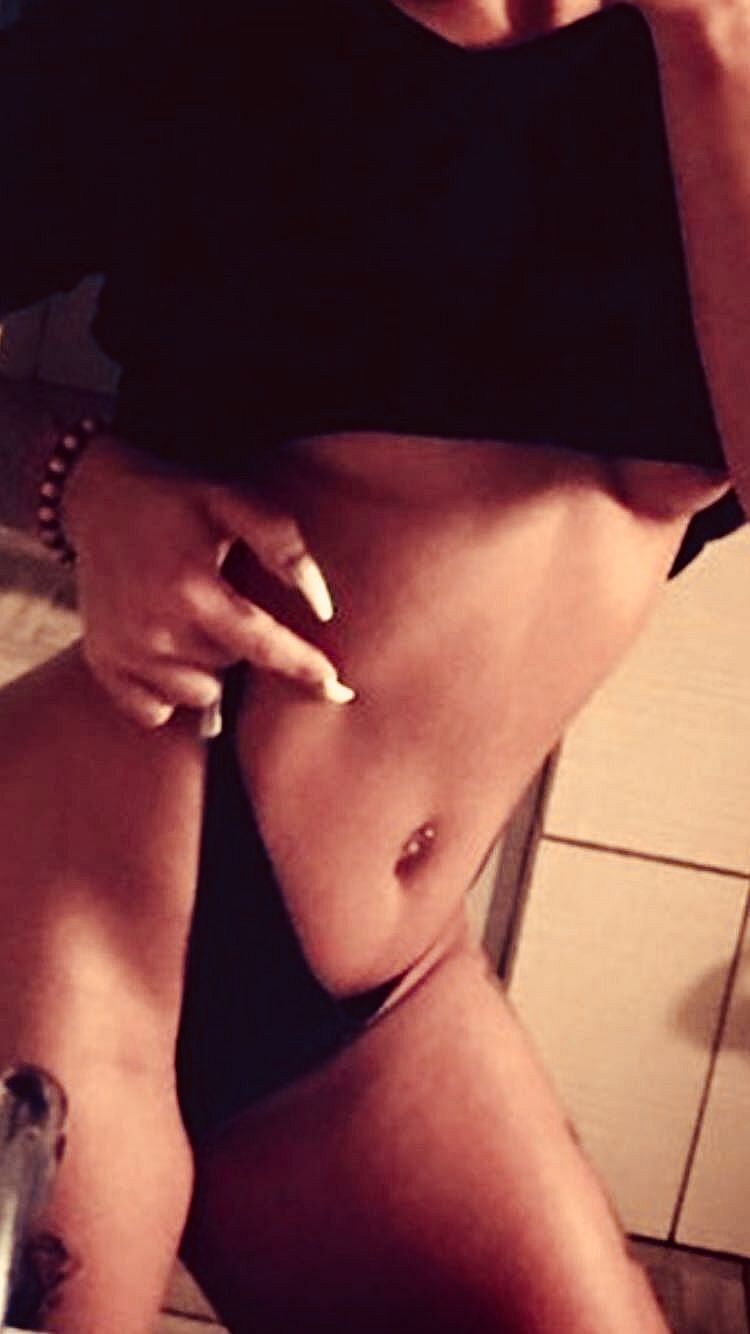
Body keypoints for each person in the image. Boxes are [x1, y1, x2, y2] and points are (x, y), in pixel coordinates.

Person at [0, 0, 748, 1329]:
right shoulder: (192, 27)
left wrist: (714, 45)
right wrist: (81, 482)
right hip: (90, 884)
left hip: (375, 1013)